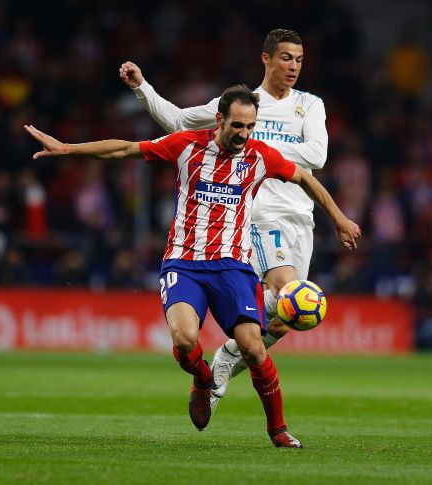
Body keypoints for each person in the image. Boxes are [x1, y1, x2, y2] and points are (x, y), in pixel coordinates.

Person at [24, 84, 361, 447]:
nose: (244, 135)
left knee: (253, 347)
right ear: (219, 119)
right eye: (237, 126)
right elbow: (125, 148)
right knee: (185, 342)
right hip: (184, 264)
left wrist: (339, 218)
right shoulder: (185, 145)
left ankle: (277, 430)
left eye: (250, 127)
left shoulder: (260, 155)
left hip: (233, 267)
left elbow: (306, 177)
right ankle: (204, 380)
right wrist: (68, 149)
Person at [119, 29, 328, 411]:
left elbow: (317, 154)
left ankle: (225, 363)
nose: (293, 66)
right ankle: (221, 381)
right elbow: (180, 120)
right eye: (285, 57)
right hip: (257, 218)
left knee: (282, 321)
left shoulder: (309, 106)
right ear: (265, 59)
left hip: (299, 219)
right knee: (288, 294)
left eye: (298, 59)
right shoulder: (239, 105)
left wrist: (253, 145)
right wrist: (143, 88)